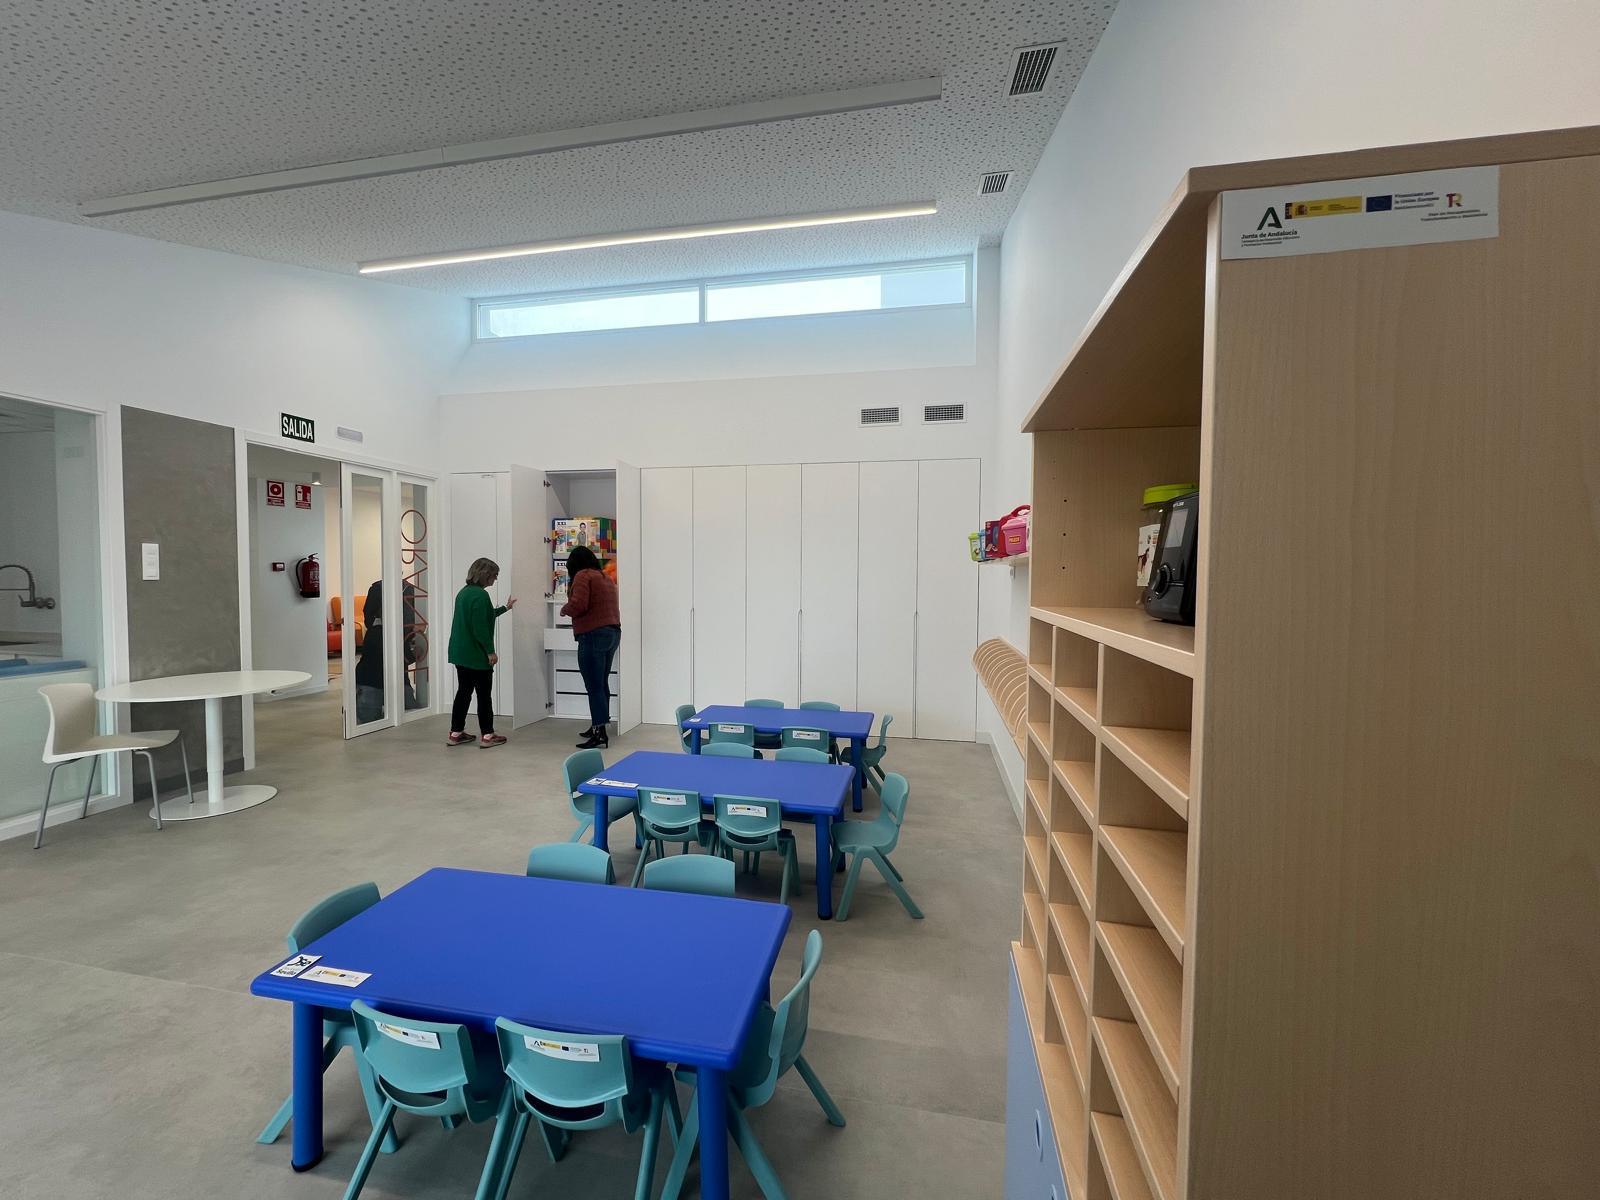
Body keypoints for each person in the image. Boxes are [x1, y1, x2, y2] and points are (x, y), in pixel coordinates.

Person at [446, 557, 516, 748]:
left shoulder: (464, 593)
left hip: (460, 654)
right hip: (476, 655)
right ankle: (487, 735)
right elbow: (480, 628)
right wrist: (490, 652)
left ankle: (455, 733)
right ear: (485, 575)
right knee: (484, 695)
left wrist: (505, 608)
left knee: (463, 693)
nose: (496, 579)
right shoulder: (481, 595)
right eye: (494, 575)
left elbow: (484, 616)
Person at [560, 544, 620, 749]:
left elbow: (579, 604)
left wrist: (564, 609)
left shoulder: (583, 576)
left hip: (593, 634)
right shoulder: (605, 577)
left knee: (593, 686)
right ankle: (599, 723)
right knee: (601, 683)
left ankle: (599, 732)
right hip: (612, 633)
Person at [354, 582, 385, 724]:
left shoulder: (375, 631)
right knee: (368, 718)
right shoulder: (378, 633)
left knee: (409, 706)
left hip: (375, 679)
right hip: (371, 681)